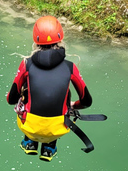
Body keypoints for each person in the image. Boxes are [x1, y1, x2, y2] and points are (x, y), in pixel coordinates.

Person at [6, 16, 92, 162]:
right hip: (58, 129)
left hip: (29, 126)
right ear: (60, 39)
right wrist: (72, 105)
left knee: (27, 88)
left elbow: (11, 100)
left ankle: (29, 141)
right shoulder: (70, 67)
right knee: (64, 92)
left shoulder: (26, 64)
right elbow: (86, 101)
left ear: (35, 41)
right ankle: (49, 147)